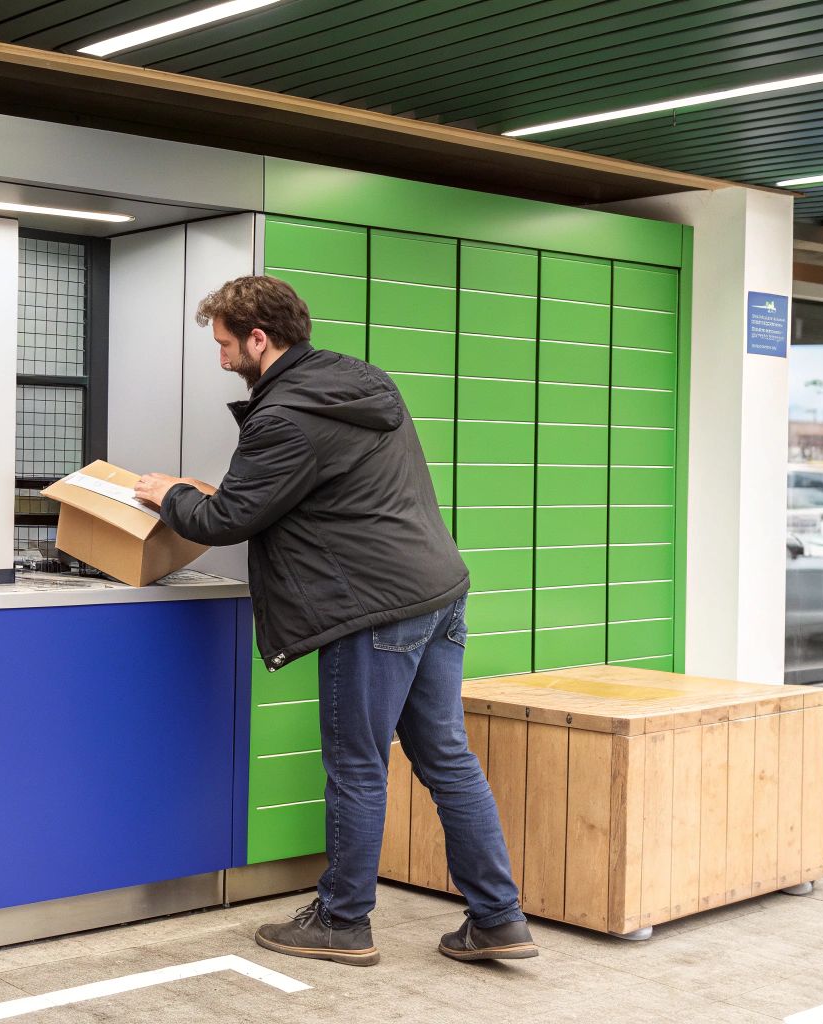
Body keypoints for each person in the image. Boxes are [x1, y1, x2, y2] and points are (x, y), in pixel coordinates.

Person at [132, 275, 535, 967]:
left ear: (261, 339)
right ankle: (497, 917)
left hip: (372, 607)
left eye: (227, 345)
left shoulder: (284, 417)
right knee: (446, 758)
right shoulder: (358, 382)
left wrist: (168, 493)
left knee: (356, 767)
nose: (222, 359)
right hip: (436, 588)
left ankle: (343, 921)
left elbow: (230, 517)